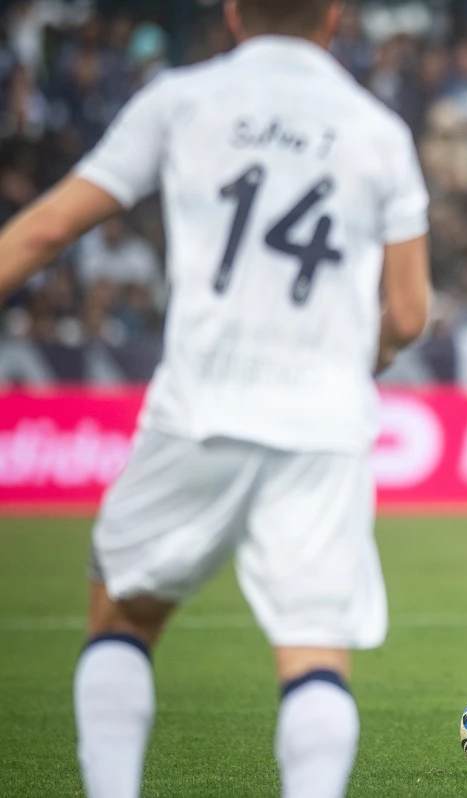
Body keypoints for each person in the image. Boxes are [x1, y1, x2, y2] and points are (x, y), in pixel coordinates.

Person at [0, 1, 431, 796]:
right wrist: (351, 359)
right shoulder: (378, 131)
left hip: (199, 404)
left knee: (125, 616)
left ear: (233, 13)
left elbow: (46, 232)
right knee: (312, 653)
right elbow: (408, 313)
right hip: (323, 423)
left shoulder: (181, 99)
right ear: (335, 16)